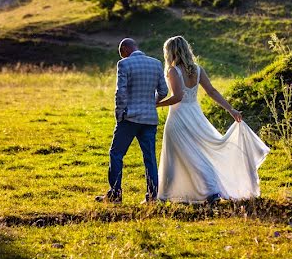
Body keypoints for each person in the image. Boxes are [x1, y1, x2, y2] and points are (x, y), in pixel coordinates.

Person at [156, 36, 269, 203]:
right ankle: (195, 191)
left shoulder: (173, 71)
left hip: (179, 117)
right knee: (195, 153)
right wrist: (231, 109)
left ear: (171, 52)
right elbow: (212, 91)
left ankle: (191, 192)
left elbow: (178, 97)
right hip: (195, 114)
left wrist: (156, 105)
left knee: (175, 156)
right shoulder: (197, 69)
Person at [96, 38, 168, 204]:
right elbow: (164, 91)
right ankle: (152, 196)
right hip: (150, 119)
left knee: (116, 154)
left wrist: (119, 113)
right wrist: (151, 103)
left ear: (125, 50)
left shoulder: (124, 64)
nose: (123, 58)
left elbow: (120, 92)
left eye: (122, 55)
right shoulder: (156, 63)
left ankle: (115, 194)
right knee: (149, 157)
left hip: (129, 118)